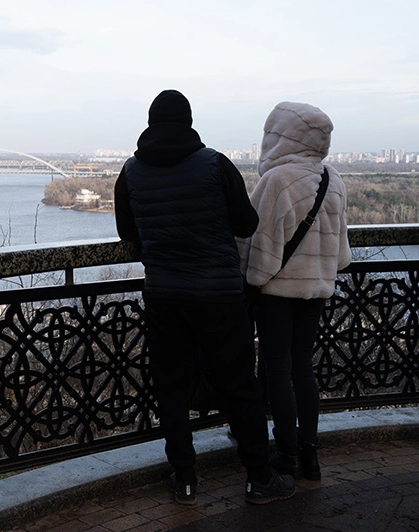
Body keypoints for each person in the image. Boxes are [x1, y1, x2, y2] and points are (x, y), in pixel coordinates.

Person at [115, 89, 296, 506]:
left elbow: (129, 233)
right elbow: (246, 224)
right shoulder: (215, 163)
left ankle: (185, 478)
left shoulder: (130, 171)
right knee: (239, 385)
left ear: (150, 123)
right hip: (218, 295)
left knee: (172, 386)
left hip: (164, 296)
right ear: (189, 121)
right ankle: (259, 477)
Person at [241, 102, 351, 481]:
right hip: (317, 291)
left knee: (278, 370)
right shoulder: (332, 180)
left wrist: (252, 283)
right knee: (303, 369)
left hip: (277, 295)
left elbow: (258, 247)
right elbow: (341, 254)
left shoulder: (277, 180)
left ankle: (285, 452)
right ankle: (310, 454)